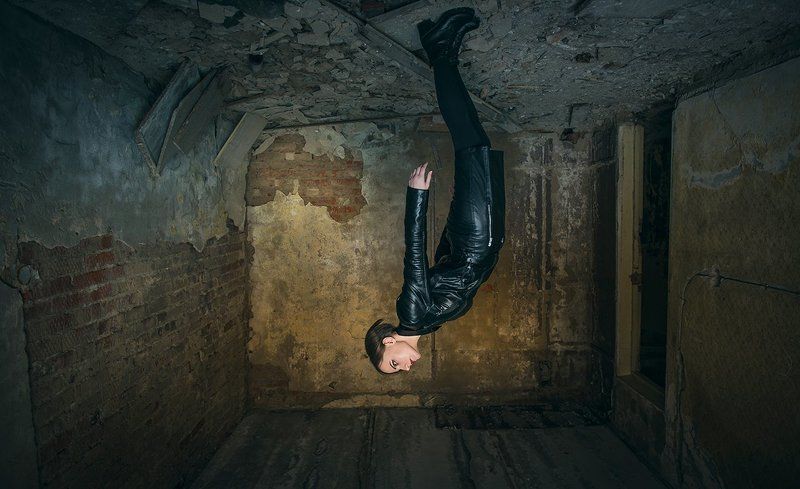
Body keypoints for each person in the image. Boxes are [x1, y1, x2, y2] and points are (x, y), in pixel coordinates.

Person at [365, 7, 505, 374]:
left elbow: (414, 255)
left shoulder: (410, 313)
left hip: (476, 237)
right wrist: (460, 205)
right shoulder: (427, 324)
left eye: (393, 364)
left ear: (388, 342)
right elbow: (442, 265)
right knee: (472, 139)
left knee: (470, 138)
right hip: (475, 235)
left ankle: (440, 46)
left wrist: (417, 195)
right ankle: (444, 47)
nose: (405, 367)